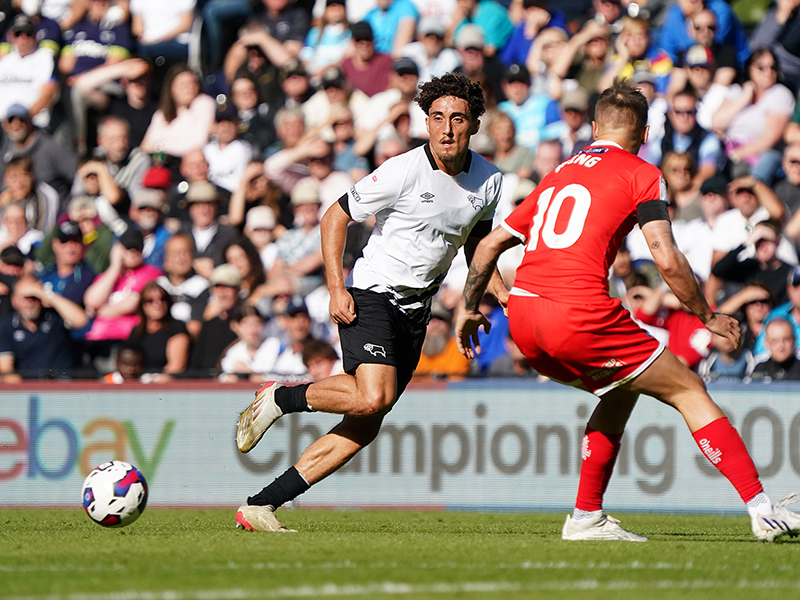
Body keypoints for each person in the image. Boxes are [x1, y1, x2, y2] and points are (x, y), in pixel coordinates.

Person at [454, 78, 800, 542]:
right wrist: (707, 317)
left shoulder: (558, 173)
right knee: (688, 389)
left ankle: (585, 517)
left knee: (619, 392)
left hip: (525, 319)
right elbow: (668, 258)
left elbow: (491, 244)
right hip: (578, 313)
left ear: (595, 126)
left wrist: (470, 306)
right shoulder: (640, 172)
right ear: (645, 132)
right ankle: (762, 508)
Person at [233, 72, 505, 532]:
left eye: (458, 119)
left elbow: (478, 244)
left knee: (365, 422)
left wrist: (493, 294)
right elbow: (334, 215)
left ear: (474, 125)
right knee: (372, 395)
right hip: (373, 293)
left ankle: (260, 506)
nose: (447, 129)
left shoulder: (490, 180)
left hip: (418, 311)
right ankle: (280, 396)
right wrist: (337, 287)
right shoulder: (403, 169)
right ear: (426, 122)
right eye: (437, 118)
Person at [0, 274, 89, 381]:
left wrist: (45, 294)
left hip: (63, 386)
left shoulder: (55, 316)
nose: (30, 303)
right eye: (25, 298)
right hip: (29, 390)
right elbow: (7, 371)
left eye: (34, 297)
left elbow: (81, 321)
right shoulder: (6, 326)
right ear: (14, 300)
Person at [127, 281, 190, 381]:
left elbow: (176, 367)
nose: (158, 304)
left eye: (162, 299)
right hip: (139, 382)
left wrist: (153, 379)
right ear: (142, 305)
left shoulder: (176, 328)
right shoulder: (137, 332)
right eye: (150, 300)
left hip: (164, 384)